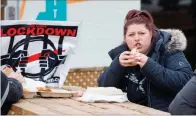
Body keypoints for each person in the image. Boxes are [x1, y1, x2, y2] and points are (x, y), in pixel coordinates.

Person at [97, 9, 194, 112]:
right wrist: (117, 65)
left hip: (162, 112)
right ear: (125, 38)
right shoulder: (123, 54)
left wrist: (148, 64)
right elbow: (103, 87)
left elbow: (185, 82)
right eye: (131, 35)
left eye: (142, 33)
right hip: (130, 111)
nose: (137, 38)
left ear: (151, 34)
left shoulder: (168, 49)